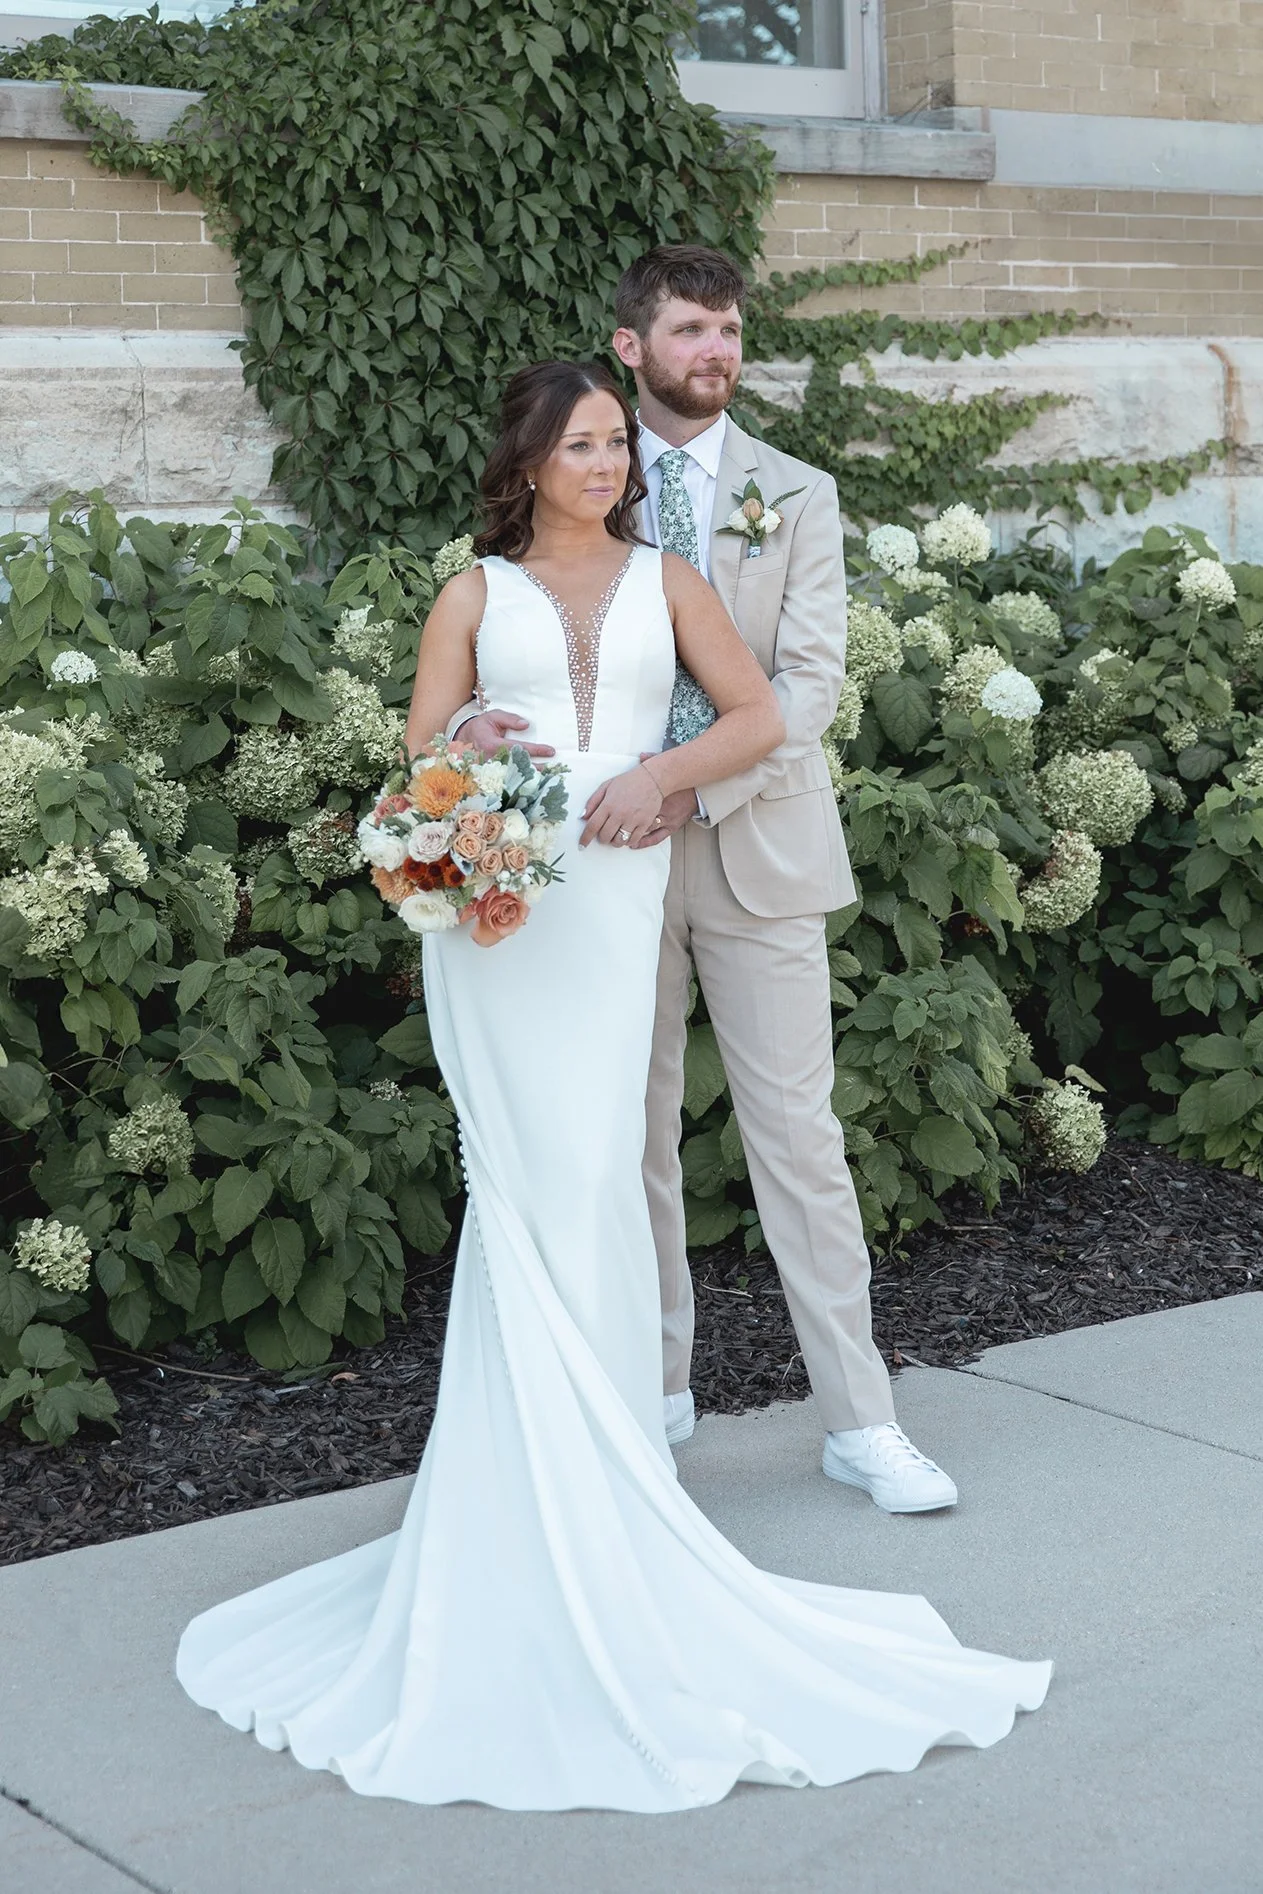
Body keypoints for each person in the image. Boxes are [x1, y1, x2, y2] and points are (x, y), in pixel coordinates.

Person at [176, 360, 1050, 1812]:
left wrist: (662, 780)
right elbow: (417, 759)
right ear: (523, 460)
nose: (605, 464)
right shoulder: (469, 593)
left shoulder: (669, 581)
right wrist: (471, 752)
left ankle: (609, 1494)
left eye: (611, 446)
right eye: (580, 445)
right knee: (535, 1181)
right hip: (505, 923)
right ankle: (525, 1492)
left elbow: (758, 714)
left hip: (619, 890)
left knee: (596, 1173)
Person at [456, 245, 957, 1514]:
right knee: (629, 1136)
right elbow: (522, 660)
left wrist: (680, 779)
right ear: (633, 349)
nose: (716, 353)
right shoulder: (592, 494)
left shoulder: (798, 493)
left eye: (730, 330)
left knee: (798, 1137)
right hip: (598, 870)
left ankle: (861, 1418)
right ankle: (657, 1387)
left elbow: (809, 687)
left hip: (754, 843)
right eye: (690, 332)